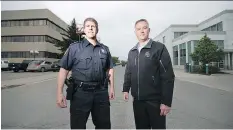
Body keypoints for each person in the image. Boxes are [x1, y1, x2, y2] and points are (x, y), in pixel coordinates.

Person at [56, 17, 115, 129]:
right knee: (78, 126)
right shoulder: (74, 48)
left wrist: (111, 88)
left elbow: (110, 68)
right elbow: (63, 70)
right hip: (80, 94)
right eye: (88, 26)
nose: (90, 28)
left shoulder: (104, 49)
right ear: (84, 29)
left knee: (104, 126)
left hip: (101, 93)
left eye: (93, 26)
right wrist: (59, 93)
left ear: (97, 29)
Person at [122, 19, 175, 129]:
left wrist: (166, 102)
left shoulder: (159, 48)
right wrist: (126, 89)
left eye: (144, 28)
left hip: (155, 101)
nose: (142, 31)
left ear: (149, 30)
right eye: (138, 29)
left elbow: (167, 76)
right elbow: (129, 72)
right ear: (135, 32)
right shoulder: (132, 52)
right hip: (138, 101)